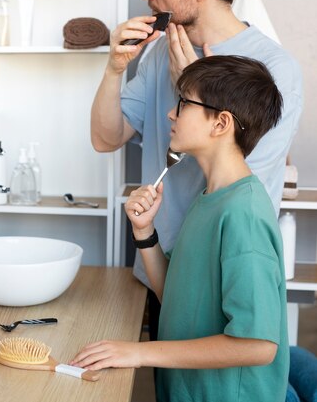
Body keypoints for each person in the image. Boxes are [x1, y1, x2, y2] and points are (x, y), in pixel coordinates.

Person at [92, 0, 303, 340]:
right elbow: (105, 139)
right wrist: (113, 71)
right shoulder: (159, 52)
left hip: (221, 277)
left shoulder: (276, 69)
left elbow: (242, 184)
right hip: (159, 265)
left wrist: (195, 89)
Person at [72, 55, 289, 401]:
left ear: (220, 123)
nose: (171, 114)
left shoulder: (242, 215)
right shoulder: (210, 198)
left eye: (184, 104)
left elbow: (258, 345)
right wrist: (144, 232)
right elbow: (173, 296)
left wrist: (140, 352)